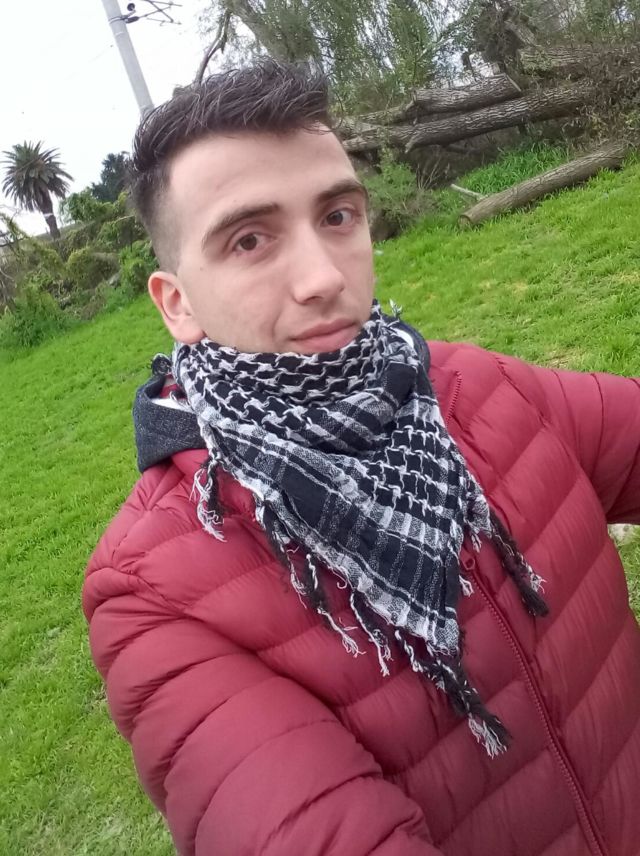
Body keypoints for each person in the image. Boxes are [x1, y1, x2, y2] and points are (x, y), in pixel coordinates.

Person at [83, 60, 640, 856]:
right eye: (249, 239)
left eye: (338, 215)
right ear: (178, 304)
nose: (323, 278)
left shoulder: (475, 388)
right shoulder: (155, 596)